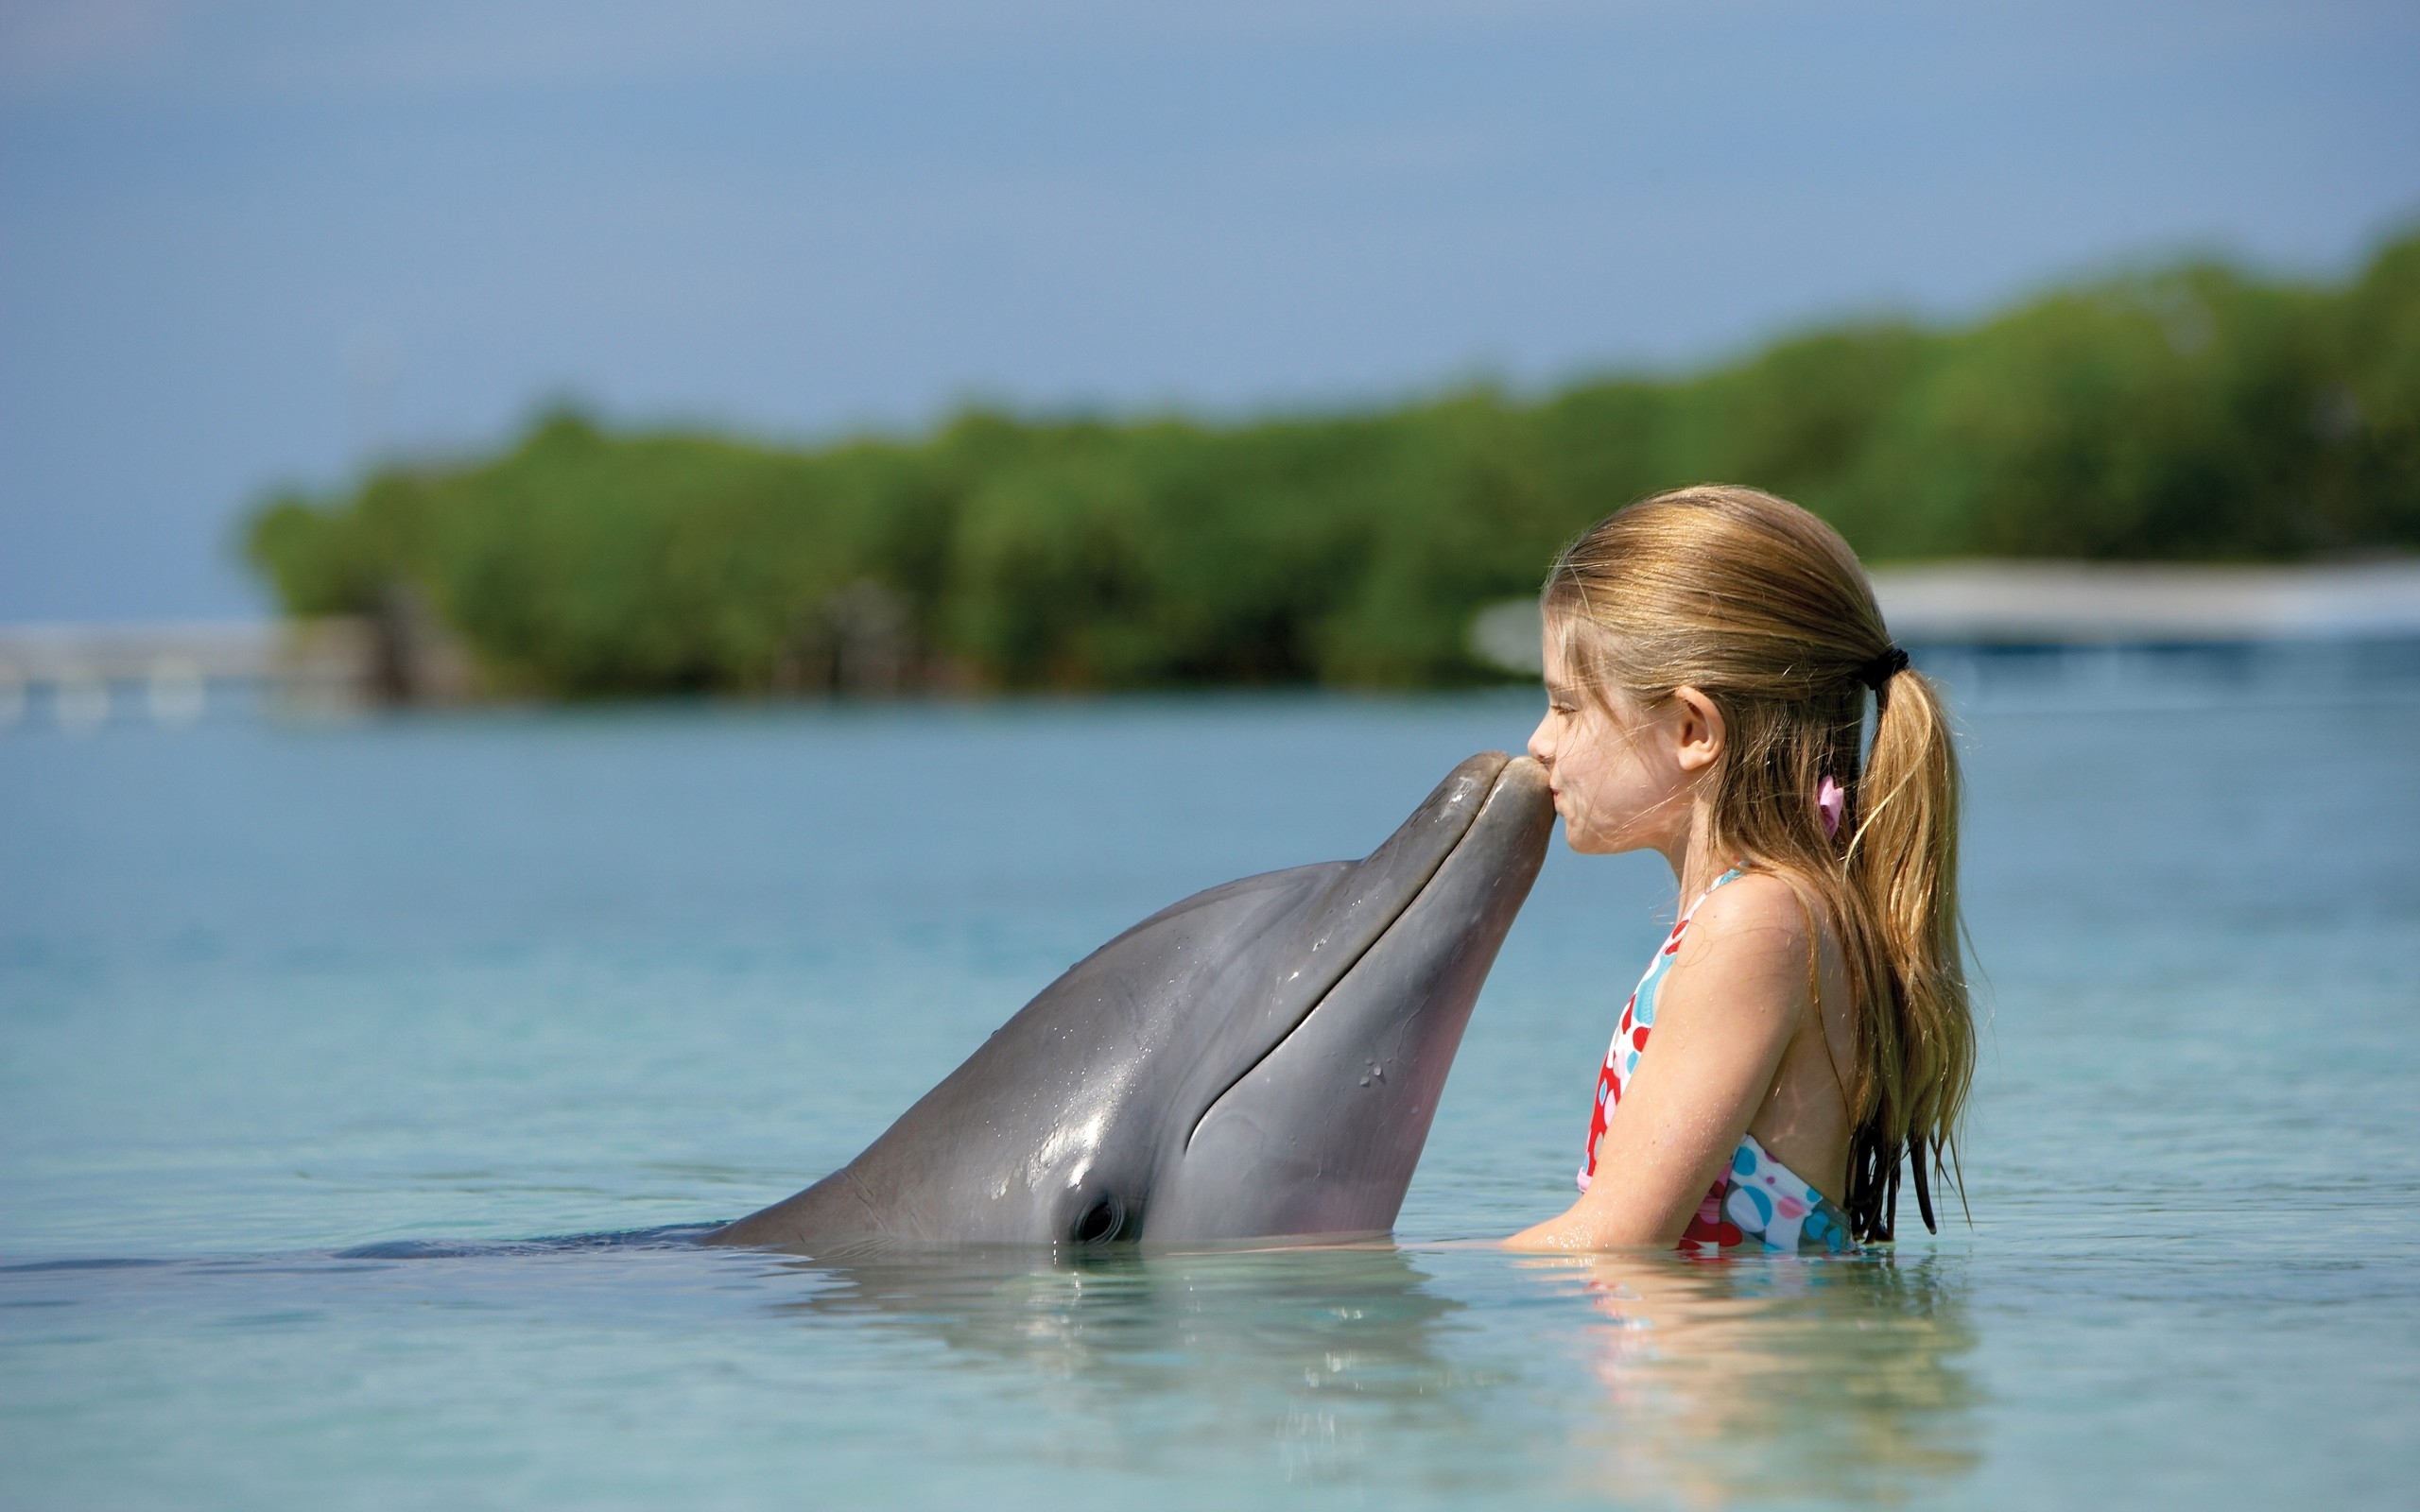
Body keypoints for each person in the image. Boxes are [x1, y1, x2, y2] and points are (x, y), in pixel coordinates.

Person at [1505, 485, 1972, 1254]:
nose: (1540, 742)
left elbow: (1614, 1241)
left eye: (1567, 706)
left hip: (1742, 1374)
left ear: (1693, 728)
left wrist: (1358, 1282)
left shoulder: (1755, 920)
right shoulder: (1776, 911)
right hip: (1728, 1370)